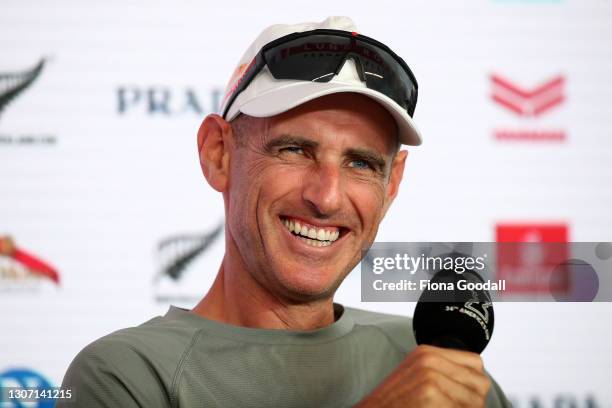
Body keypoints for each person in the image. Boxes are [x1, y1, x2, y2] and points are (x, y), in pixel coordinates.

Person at [59, 16, 511, 407]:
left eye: (361, 163)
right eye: (294, 150)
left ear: (391, 183)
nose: (328, 197)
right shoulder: (126, 375)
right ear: (218, 154)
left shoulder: (440, 370)